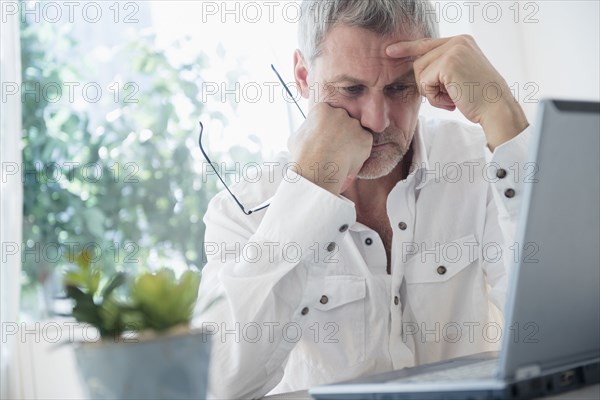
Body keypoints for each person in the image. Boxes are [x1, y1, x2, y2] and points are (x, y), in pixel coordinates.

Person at [193, 0, 530, 398]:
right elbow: (217, 386)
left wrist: (502, 112)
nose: (377, 120)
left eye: (400, 87)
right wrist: (312, 186)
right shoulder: (241, 212)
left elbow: (560, 328)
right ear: (303, 76)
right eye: (351, 89)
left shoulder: (478, 165)